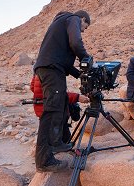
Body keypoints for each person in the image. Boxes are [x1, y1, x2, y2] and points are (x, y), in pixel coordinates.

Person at [33, 10, 91, 172]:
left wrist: (79, 74)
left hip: (52, 69)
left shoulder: (59, 25)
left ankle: (56, 144)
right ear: (83, 19)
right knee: (51, 111)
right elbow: (76, 42)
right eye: (84, 27)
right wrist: (86, 58)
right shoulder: (72, 19)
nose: (82, 30)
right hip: (51, 70)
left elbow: (66, 64)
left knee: (57, 107)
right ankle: (44, 160)